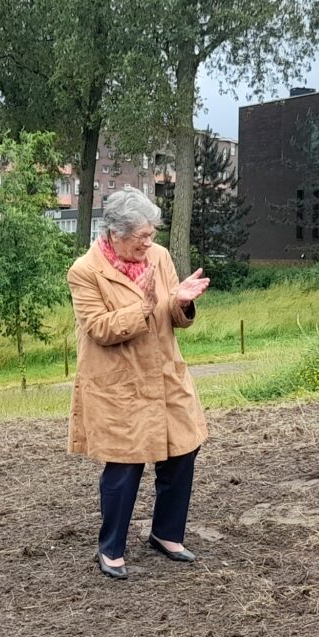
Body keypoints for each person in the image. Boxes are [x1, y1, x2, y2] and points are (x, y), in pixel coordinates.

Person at [68, 187, 212, 579]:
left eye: (152, 235)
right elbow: (100, 328)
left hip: (165, 374)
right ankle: (111, 547)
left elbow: (172, 318)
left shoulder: (160, 257)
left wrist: (180, 303)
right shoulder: (85, 271)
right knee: (124, 465)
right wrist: (145, 306)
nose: (149, 243)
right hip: (118, 383)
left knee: (183, 452)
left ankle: (166, 534)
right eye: (142, 236)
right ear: (115, 232)